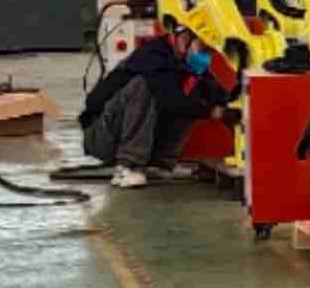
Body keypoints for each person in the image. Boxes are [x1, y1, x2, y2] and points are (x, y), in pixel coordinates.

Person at [77, 22, 234, 189]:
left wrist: (235, 106)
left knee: (190, 97)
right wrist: (211, 111)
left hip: (118, 135)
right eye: (202, 48)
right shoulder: (152, 55)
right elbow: (170, 100)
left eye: (209, 51)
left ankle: (159, 164)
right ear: (182, 37)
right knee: (145, 87)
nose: (205, 55)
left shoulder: (186, 63)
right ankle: (127, 166)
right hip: (101, 137)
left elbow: (216, 93)